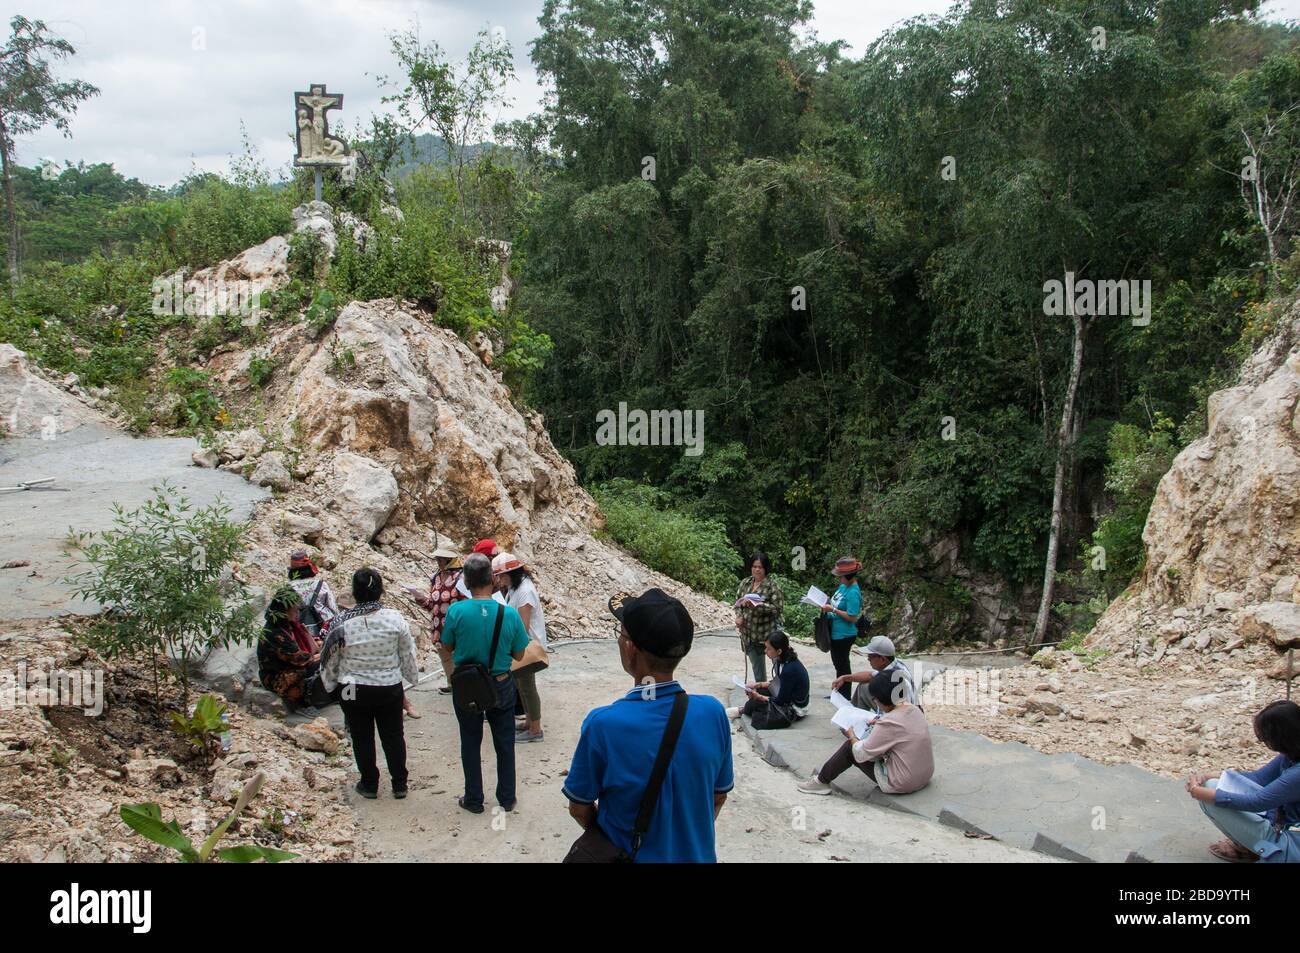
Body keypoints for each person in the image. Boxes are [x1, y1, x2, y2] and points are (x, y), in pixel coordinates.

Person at [562, 588, 734, 863]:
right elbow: (719, 796)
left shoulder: (603, 725)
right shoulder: (714, 713)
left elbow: (579, 808)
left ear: (630, 649)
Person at [441, 552, 530, 814]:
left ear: (466, 582)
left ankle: (474, 798)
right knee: (504, 742)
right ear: (492, 580)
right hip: (501, 683)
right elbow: (519, 654)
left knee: (470, 741)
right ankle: (506, 797)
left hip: (467, 685)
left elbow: (447, 645)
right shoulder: (509, 614)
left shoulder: (456, 611)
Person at [321, 568, 418, 800]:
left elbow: (330, 658)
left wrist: (329, 683)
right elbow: (407, 653)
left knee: (361, 734)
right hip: (389, 686)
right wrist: (410, 677)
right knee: (393, 734)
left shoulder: (341, 622)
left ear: (354, 592)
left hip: (353, 687)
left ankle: (369, 783)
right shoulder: (395, 618)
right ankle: (399, 784)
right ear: (381, 590)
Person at [1186, 699, 1300, 863]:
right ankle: (1251, 847)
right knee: (1210, 785)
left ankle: (1256, 849)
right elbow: (1258, 778)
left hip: (1290, 840)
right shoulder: (1291, 754)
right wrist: (1211, 775)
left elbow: (1258, 802)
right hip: (1282, 824)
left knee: (1210, 798)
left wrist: (1201, 794)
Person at [798, 668, 933, 796]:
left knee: (850, 748)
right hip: (924, 775)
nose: (874, 701)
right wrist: (879, 721)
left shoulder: (888, 723)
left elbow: (861, 754)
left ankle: (820, 782)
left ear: (882, 699)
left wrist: (851, 735)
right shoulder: (914, 709)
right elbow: (899, 729)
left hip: (902, 783)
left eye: (875, 699)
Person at [493, 552, 547, 743]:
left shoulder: (524, 592)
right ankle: (529, 722)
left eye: (500, 575)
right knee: (522, 686)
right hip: (521, 644)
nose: (498, 580)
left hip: (527, 646)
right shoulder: (516, 588)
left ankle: (535, 729)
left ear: (511, 574)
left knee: (528, 687)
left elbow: (523, 626)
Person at [407, 546, 464, 698]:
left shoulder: (461, 578)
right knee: (445, 656)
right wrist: (423, 601)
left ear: (450, 560)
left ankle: (464, 684)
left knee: (458, 655)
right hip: (439, 624)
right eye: (437, 559)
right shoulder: (436, 577)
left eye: (441, 559)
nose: (438, 562)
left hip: (456, 625)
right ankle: (452, 683)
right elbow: (433, 604)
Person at [727, 629, 809, 729]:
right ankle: (747, 708)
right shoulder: (782, 660)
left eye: (768, 649)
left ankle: (743, 710)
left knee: (758, 701)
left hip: (795, 708)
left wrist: (759, 697)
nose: (765, 651)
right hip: (787, 697)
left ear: (779, 651)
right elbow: (777, 683)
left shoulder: (790, 669)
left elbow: (780, 701)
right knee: (759, 690)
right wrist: (757, 685)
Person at [256, 586, 320, 711]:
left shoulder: (287, 626)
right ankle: (305, 702)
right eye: (294, 610)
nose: (297, 614)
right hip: (275, 676)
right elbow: (300, 659)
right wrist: (322, 656)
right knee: (319, 666)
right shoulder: (275, 633)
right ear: (285, 611)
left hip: (287, 666)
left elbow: (310, 647)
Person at [733, 552, 784, 684]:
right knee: (758, 673)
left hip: (768, 635)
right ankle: (762, 697)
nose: (757, 570)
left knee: (779, 668)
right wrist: (739, 616)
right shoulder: (745, 583)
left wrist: (758, 606)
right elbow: (737, 602)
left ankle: (781, 695)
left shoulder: (772, 586)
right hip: (749, 636)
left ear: (765, 568)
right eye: (754, 566)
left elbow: (777, 609)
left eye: (760, 567)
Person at [833, 635, 917, 708]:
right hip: (896, 710)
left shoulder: (894, 679)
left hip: (903, 718)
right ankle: (854, 720)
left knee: (874, 690)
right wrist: (844, 678)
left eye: (871, 656)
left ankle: (859, 723)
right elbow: (870, 675)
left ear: (882, 659)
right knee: (863, 686)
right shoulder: (892, 665)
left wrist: (880, 721)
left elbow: (903, 710)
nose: (868, 658)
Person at [822, 557, 863, 699]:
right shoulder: (843, 587)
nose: (839, 579)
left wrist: (833, 610)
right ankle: (839, 693)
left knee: (843, 665)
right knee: (838, 664)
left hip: (844, 635)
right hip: (835, 632)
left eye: (841, 577)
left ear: (848, 576)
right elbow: (835, 601)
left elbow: (853, 617)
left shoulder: (853, 593)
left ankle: (844, 696)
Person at [286, 548, 340, 640]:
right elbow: (333, 609)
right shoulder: (321, 584)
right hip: (324, 631)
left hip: (298, 633)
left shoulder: (287, 588)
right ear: (310, 568)